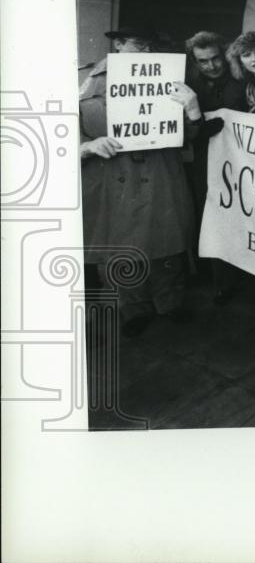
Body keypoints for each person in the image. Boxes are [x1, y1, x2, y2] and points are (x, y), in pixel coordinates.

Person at [79, 26, 201, 337]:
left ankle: (169, 301)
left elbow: (189, 136)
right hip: (111, 177)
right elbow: (62, 131)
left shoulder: (167, 79)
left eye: (150, 46)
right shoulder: (87, 79)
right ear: (118, 44)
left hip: (160, 171)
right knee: (118, 244)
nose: (146, 52)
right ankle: (131, 307)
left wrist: (192, 110)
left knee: (167, 240)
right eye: (140, 44)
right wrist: (87, 146)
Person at [184, 30, 243, 303]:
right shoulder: (189, 87)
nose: (211, 66)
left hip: (242, 163)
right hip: (204, 165)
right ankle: (223, 281)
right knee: (213, 219)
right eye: (203, 61)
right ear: (194, 62)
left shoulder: (239, 79)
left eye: (215, 58)